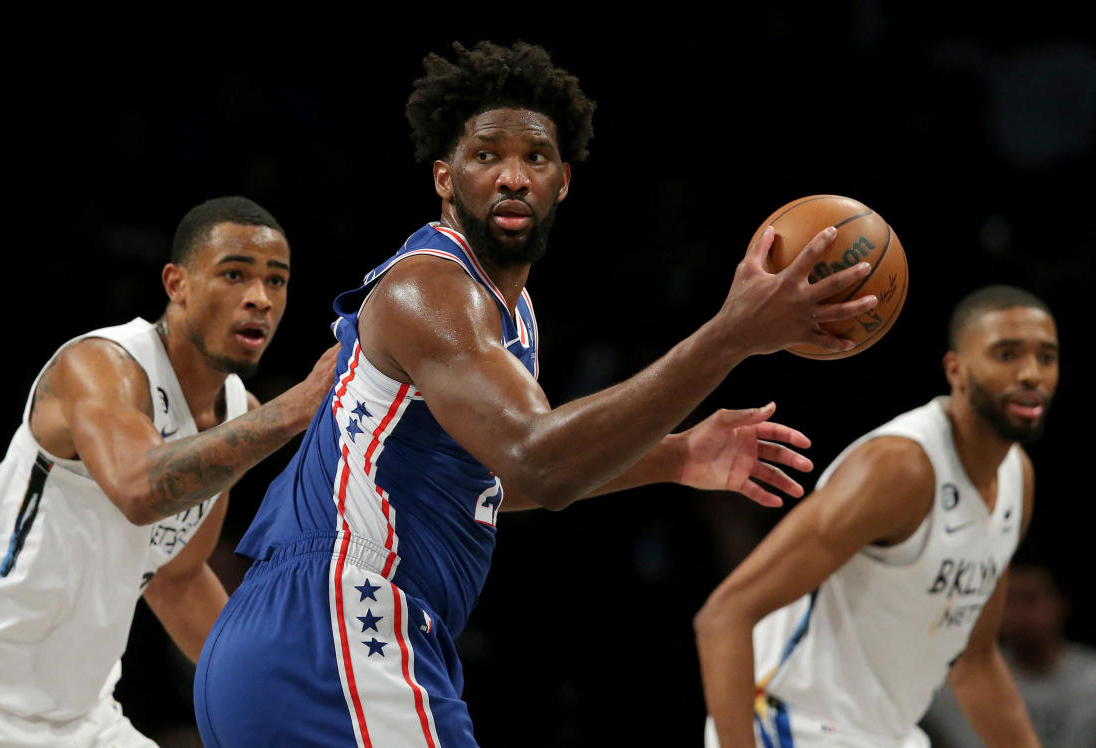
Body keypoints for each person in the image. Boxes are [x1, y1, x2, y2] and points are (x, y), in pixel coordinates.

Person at [191, 41, 880, 747]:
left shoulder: (508, 313)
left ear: (564, 182)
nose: (512, 176)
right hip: (339, 622)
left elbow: (481, 479)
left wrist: (674, 456)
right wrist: (732, 335)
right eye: (486, 156)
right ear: (445, 179)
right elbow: (537, 462)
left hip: (292, 637)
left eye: (536, 158)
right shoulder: (431, 289)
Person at [0, 196, 338, 747]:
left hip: (82, 723)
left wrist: (288, 689)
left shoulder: (239, 415)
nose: (258, 298)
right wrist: (298, 407)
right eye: (234, 274)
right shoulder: (100, 365)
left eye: (276, 281)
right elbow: (139, 488)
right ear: (177, 283)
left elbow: (177, 578)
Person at [694, 284, 1060, 747]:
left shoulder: (1015, 477)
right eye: (1006, 354)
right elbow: (724, 615)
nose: (1031, 374)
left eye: (1046, 357)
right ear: (957, 370)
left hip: (886, 735)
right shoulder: (899, 469)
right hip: (791, 727)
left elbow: (975, 661)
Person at [921, 558, 1096, 748]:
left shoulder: (1090, 682)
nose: (1020, 614)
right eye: (1009, 601)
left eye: (1031, 599)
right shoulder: (953, 685)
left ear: (1060, 603)